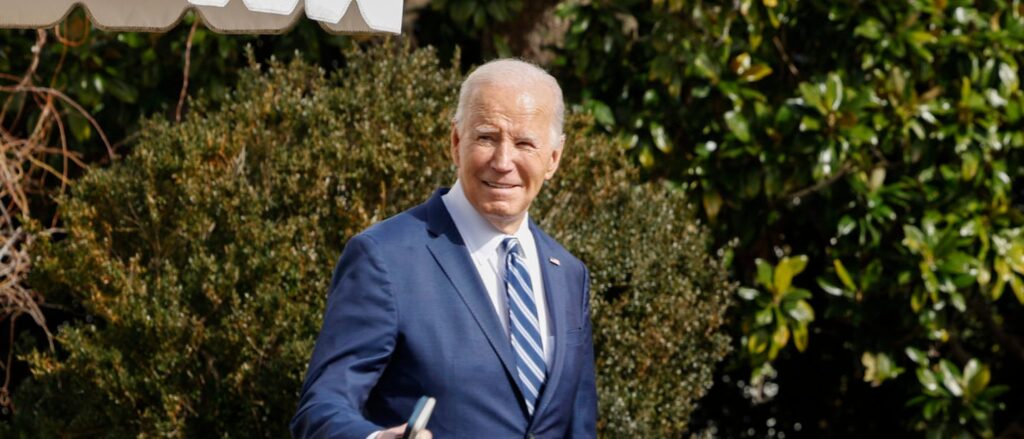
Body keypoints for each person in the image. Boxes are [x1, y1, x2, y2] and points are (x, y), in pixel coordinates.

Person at [290, 59, 597, 439]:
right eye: (486, 137)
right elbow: (320, 409)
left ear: (553, 158)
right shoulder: (385, 258)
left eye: (524, 143)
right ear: (455, 142)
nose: (503, 162)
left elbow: (578, 426)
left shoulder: (568, 273)